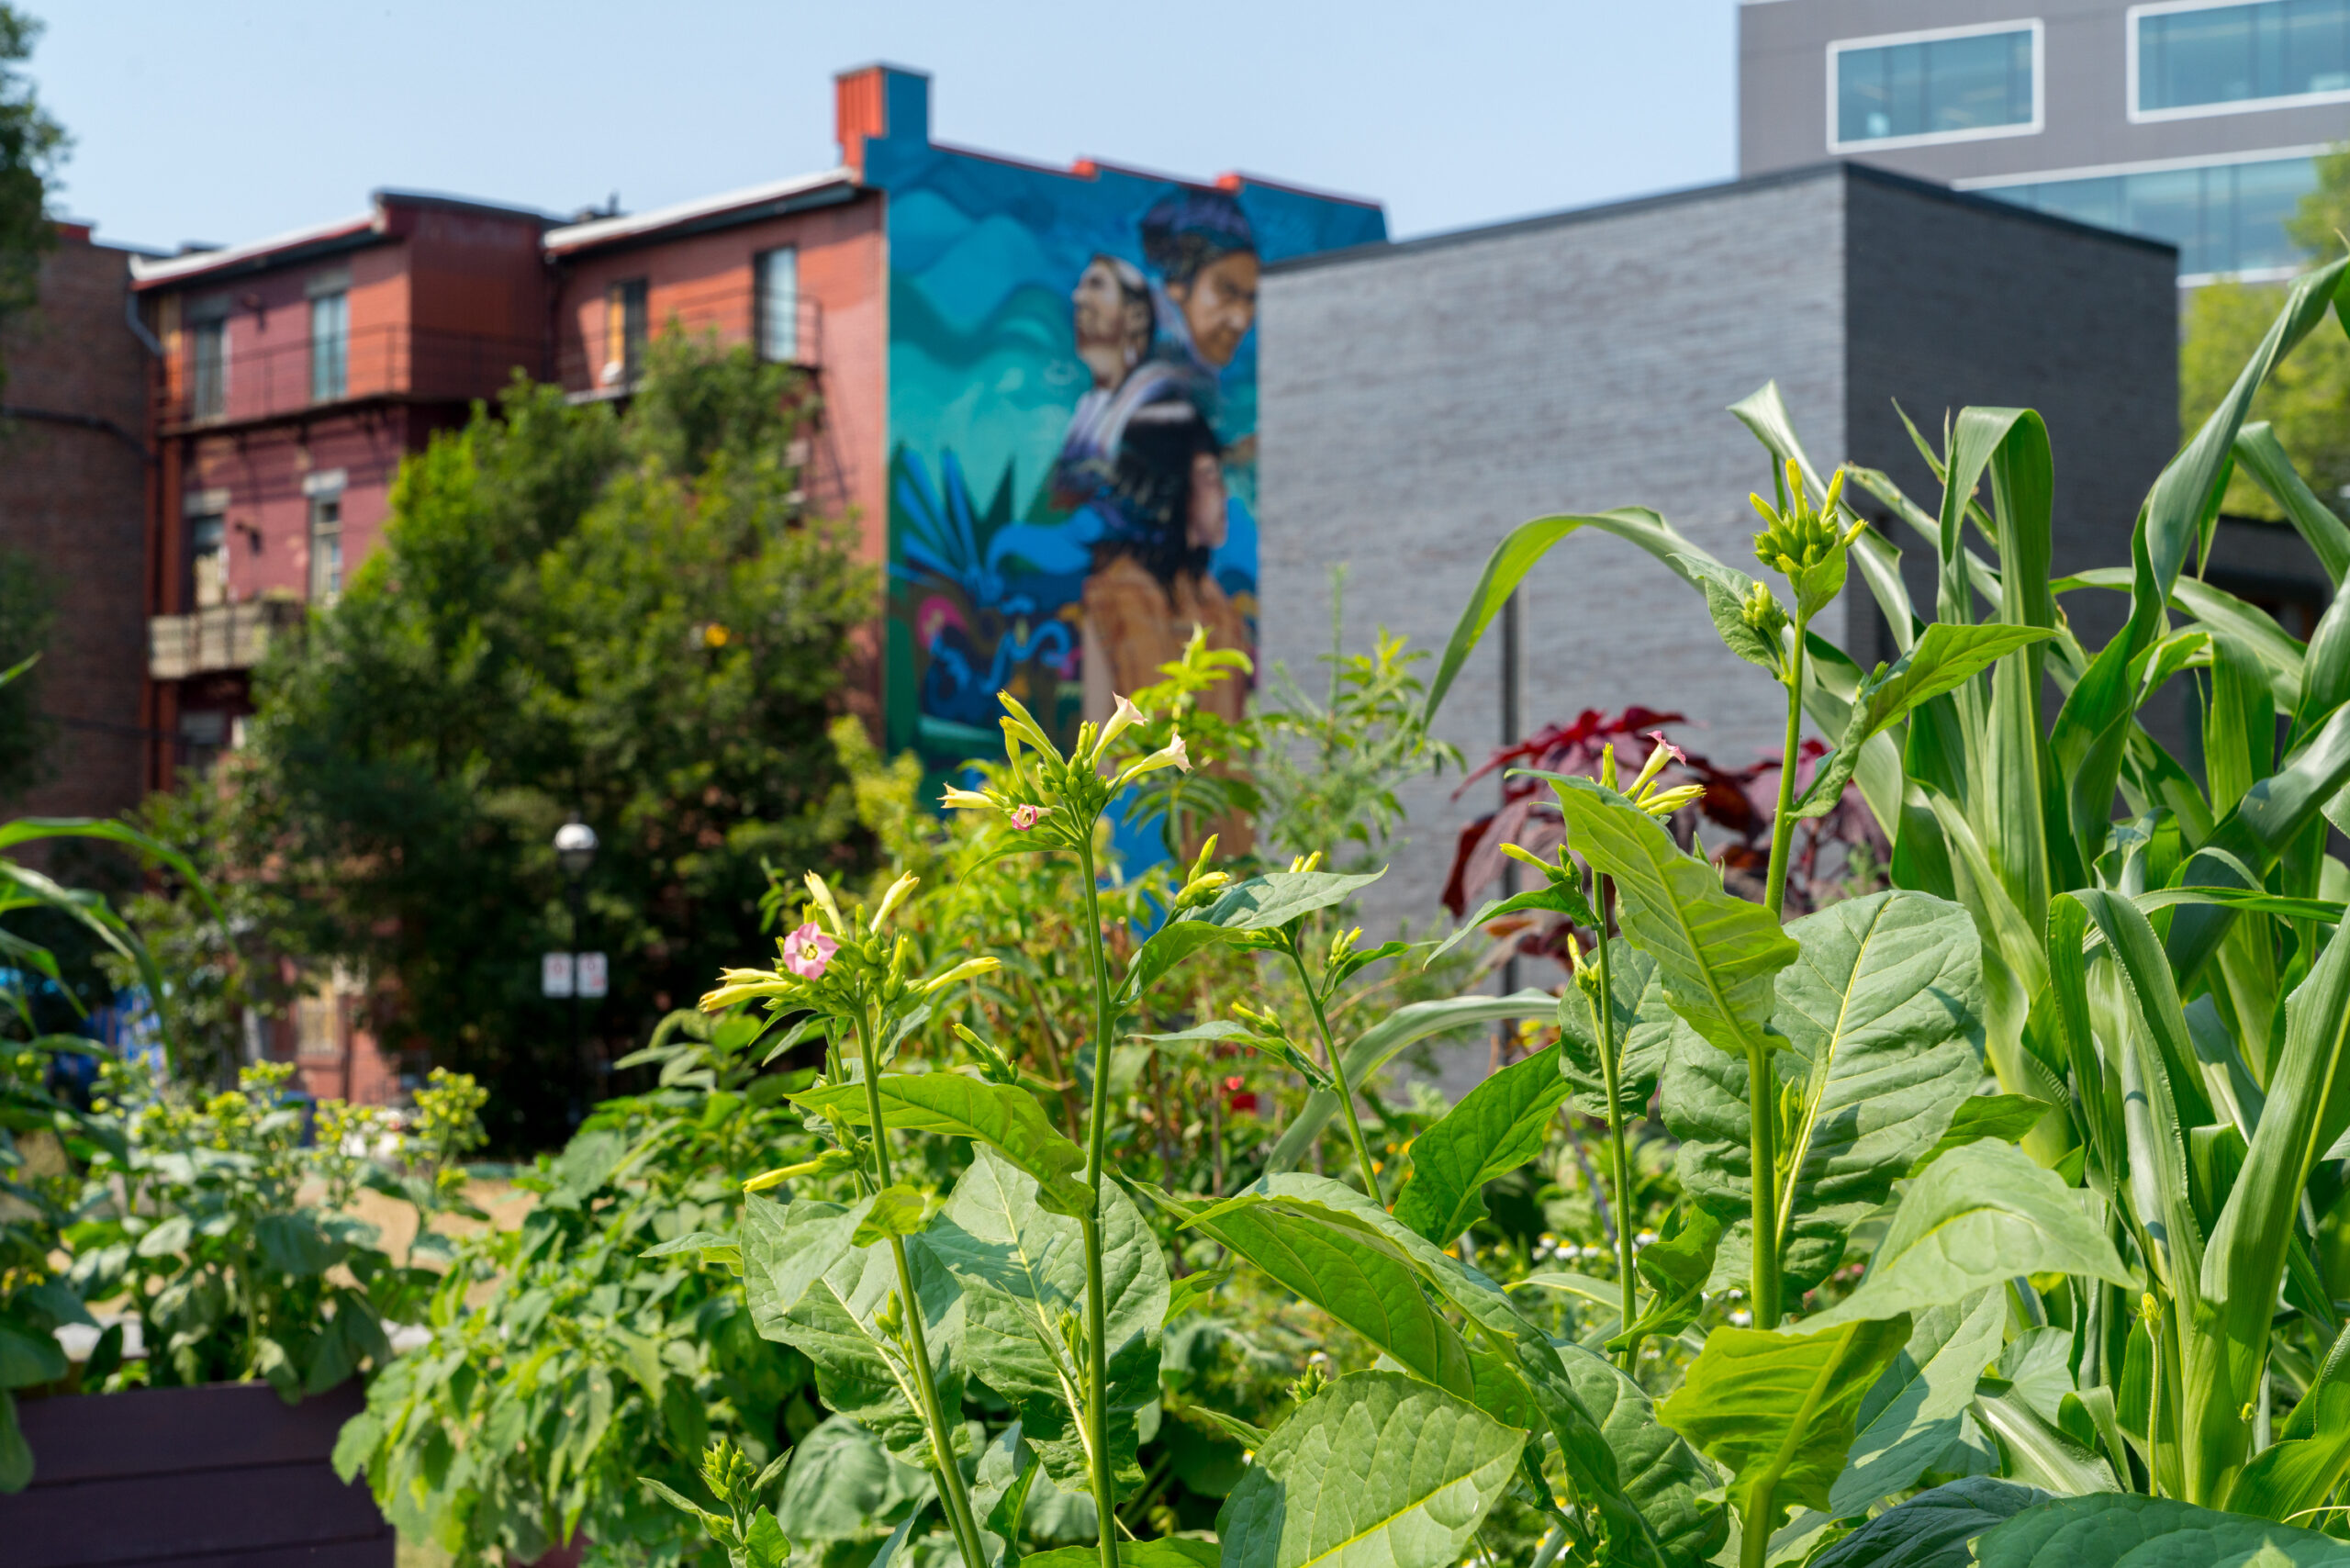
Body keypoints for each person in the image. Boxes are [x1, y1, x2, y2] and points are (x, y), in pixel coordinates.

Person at [1060, 188, 1261, 729]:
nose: (1242, 319)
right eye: (1227, 292)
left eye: (1251, 300)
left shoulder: (1208, 600)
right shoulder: (1151, 397)